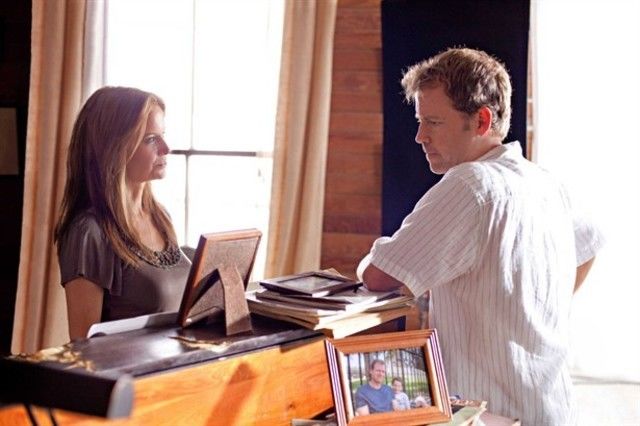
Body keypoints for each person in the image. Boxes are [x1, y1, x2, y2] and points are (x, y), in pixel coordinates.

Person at [356, 48, 603, 425]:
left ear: (481, 120)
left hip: (491, 415)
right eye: (420, 121)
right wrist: (532, 311)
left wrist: (368, 262)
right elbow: (589, 247)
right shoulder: (545, 182)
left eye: (433, 122)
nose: (420, 136)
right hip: (552, 409)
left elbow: (378, 275)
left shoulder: (470, 184)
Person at [54, 86, 191, 340]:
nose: (166, 148)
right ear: (114, 147)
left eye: (163, 135)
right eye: (151, 139)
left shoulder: (160, 217)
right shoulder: (89, 233)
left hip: (179, 364)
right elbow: (84, 345)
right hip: (130, 368)